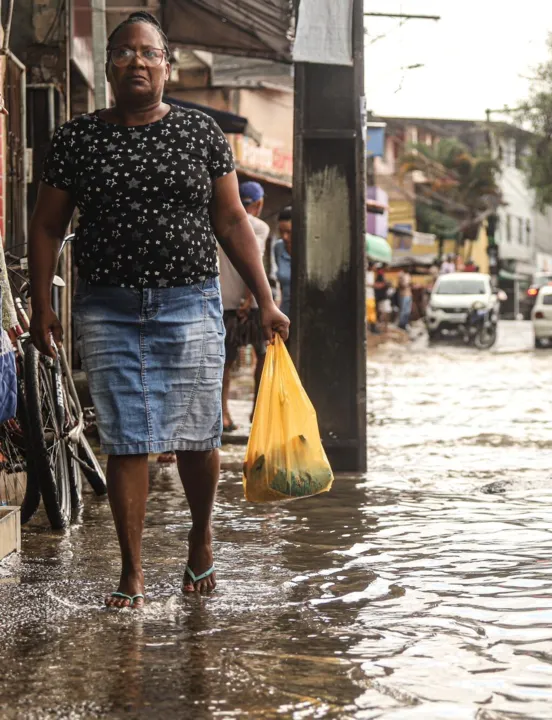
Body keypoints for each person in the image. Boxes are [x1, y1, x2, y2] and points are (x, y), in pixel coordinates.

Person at [27, 12, 289, 609]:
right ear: (110, 67)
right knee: (128, 438)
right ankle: (133, 571)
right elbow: (46, 227)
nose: (137, 63)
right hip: (107, 307)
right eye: (123, 53)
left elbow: (230, 221)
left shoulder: (200, 134)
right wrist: (43, 304)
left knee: (198, 436)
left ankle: (201, 538)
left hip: (189, 302)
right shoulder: (78, 138)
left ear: (167, 66)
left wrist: (267, 299)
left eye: (149, 53)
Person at [219, 181, 271, 433]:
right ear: (259, 204)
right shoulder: (259, 226)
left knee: (225, 363)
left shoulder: (215, 221)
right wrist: (249, 299)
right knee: (261, 357)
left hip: (223, 303)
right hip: (249, 305)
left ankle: (224, 415)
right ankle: (257, 412)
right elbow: (255, 261)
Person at [272, 206, 292, 318]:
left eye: (289, 232)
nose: (284, 237)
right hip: (285, 313)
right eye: (281, 231)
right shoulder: (278, 248)